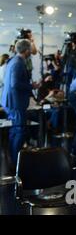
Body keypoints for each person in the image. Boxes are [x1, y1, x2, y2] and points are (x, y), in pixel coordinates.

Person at [1, 40, 40, 168]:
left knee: (16, 131)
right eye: (30, 50)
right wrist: (31, 86)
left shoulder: (13, 61)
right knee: (19, 131)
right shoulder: (18, 63)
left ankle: (14, 161)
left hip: (12, 102)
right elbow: (15, 84)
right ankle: (16, 163)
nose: (31, 52)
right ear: (26, 50)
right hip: (15, 103)